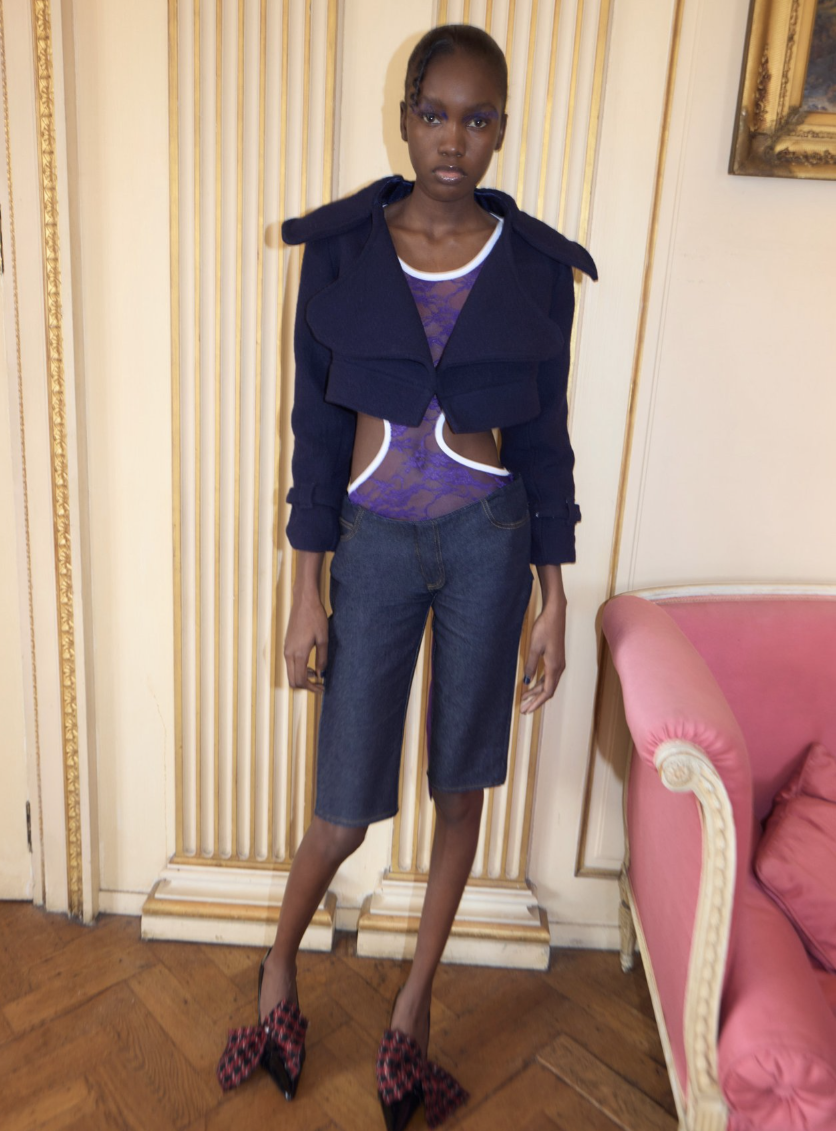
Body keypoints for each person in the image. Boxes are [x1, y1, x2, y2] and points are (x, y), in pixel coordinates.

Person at [217, 23, 596, 1130]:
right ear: (405, 118)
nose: (452, 140)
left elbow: (547, 441)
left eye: (477, 120)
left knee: (460, 787)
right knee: (342, 808)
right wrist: (305, 589)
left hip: (489, 540)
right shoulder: (341, 251)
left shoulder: (534, 267)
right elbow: (313, 436)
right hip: (374, 544)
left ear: (501, 131)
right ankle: (278, 971)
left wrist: (554, 597)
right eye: (435, 114)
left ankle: (411, 1015)